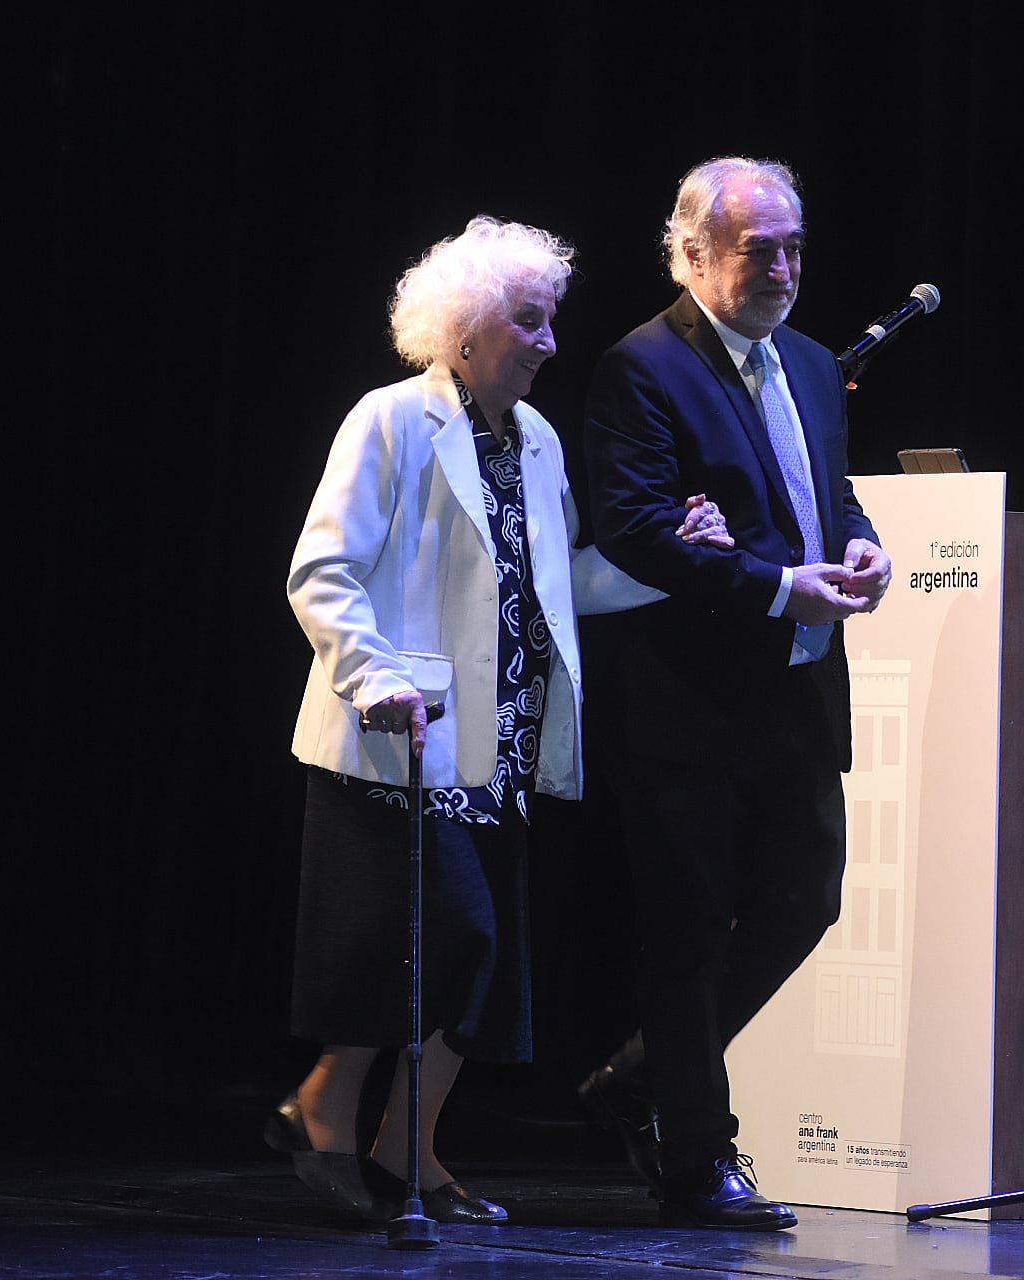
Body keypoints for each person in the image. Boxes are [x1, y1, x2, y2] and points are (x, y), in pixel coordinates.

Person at [273, 216, 726, 1224]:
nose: (550, 342)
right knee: (438, 938)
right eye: (531, 321)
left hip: (498, 745)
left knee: (480, 967)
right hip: (399, 735)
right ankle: (325, 1106)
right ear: (467, 333)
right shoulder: (390, 421)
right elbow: (322, 570)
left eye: (551, 320)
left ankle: (403, 1142)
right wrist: (371, 675)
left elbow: (563, 583)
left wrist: (673, 555)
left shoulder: (539, 440)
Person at [578, 156, 891, 1231]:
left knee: (808, 898)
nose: (786, 267)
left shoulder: (807, 359)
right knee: (690, 928)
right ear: (694, 253)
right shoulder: (642, 367)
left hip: (800, 693)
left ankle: (642, 1077)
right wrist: (774, 587)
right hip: (686, 703)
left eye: (796, 245)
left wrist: (863, 549)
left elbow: (832, 495)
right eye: (762, 248)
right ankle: (694, 1156)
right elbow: (630, 527)